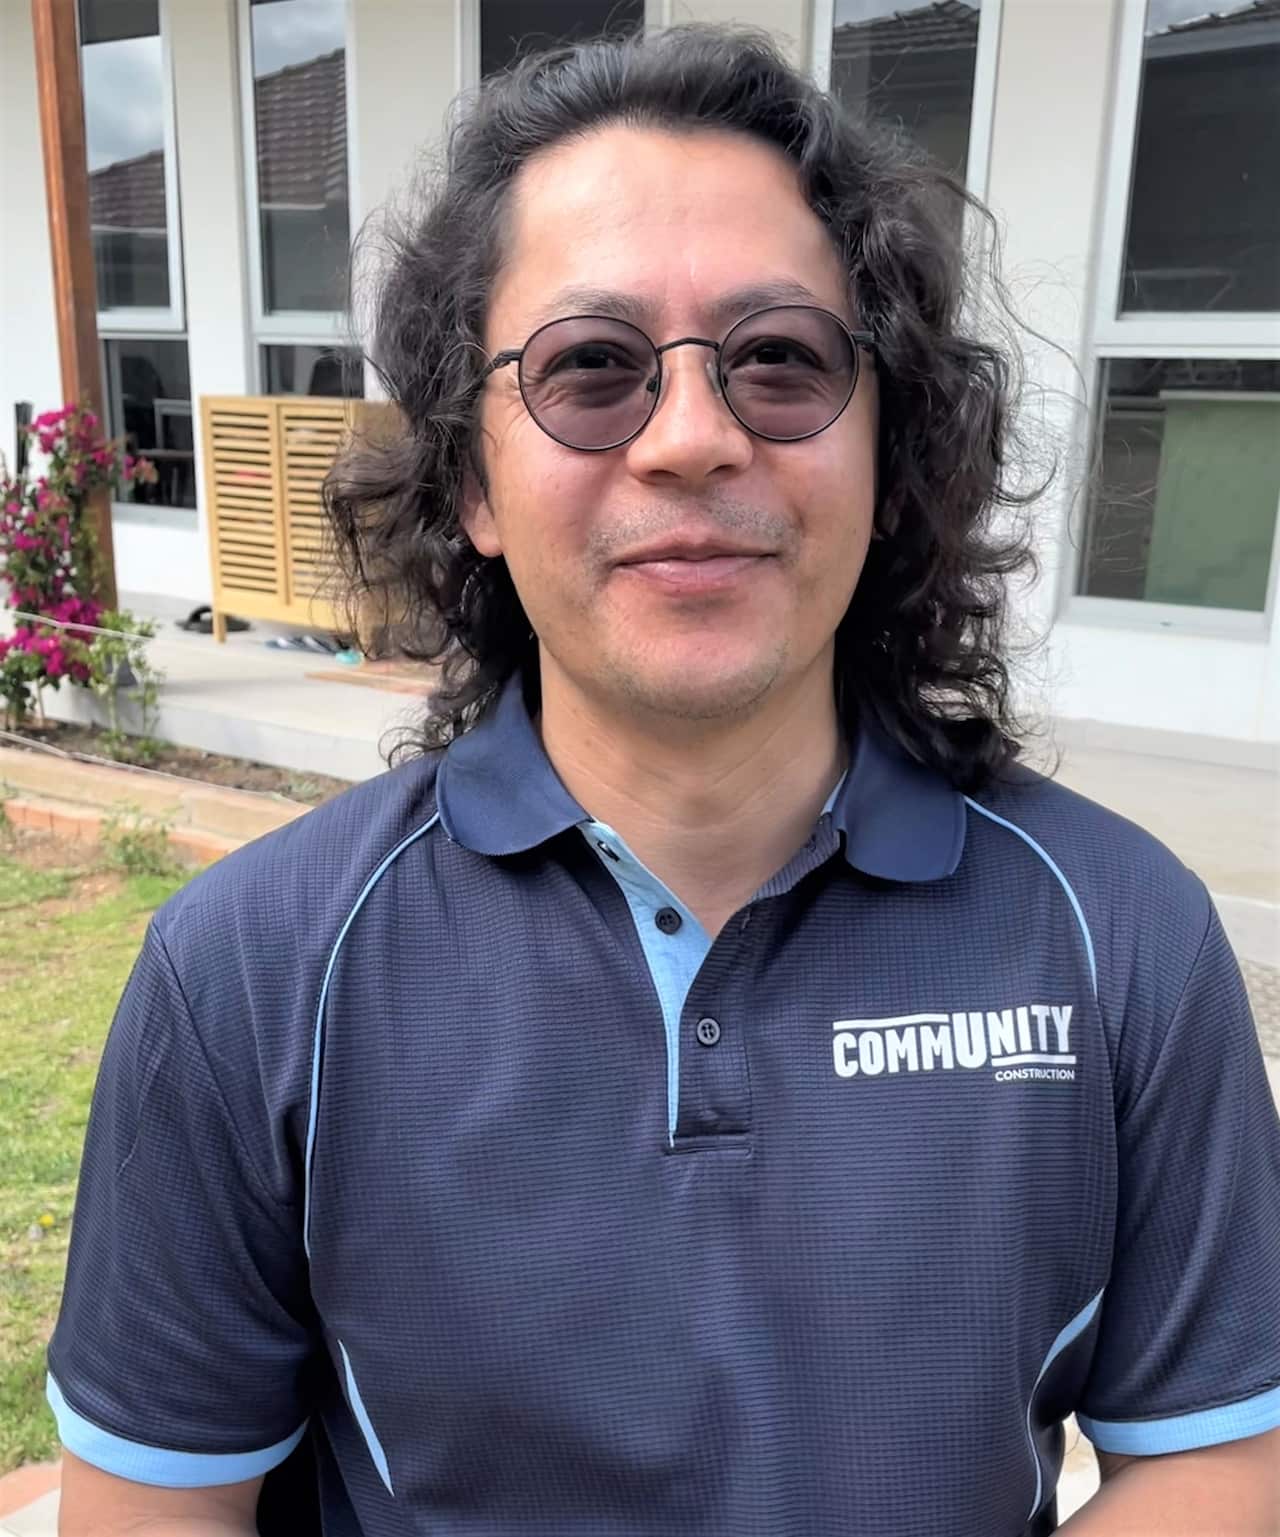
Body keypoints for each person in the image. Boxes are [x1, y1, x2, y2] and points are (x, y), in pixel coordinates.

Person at [48, 25, 1280, 1537]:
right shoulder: (244, 977)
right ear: (471, 483)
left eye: (779, 358)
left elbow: (1217, 1463)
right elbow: (152, 1512)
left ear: (888, 452)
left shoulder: (1121, 937)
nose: (693, 437)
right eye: (592, 369)